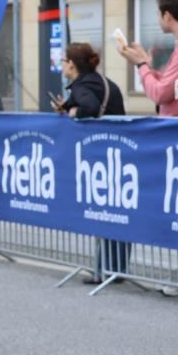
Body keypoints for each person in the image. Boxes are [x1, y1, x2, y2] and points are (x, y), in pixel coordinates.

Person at [118, 0, 178, 293]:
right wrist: (146, 64)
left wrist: (141, 66)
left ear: (167, 16)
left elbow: (159, 93)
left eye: (158, 14)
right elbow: (169, 87)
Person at [52, 42, 129, 285]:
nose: (61, 65)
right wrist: (66, 106)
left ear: (72, 65)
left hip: (103, 158)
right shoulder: (102, 82)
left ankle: (105, 270)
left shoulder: (83, 85)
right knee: (118, 213)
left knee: (106, 211)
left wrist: (73, 113)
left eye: (63, 61)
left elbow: (90, 106)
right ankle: (113, 269)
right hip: (120, 155)